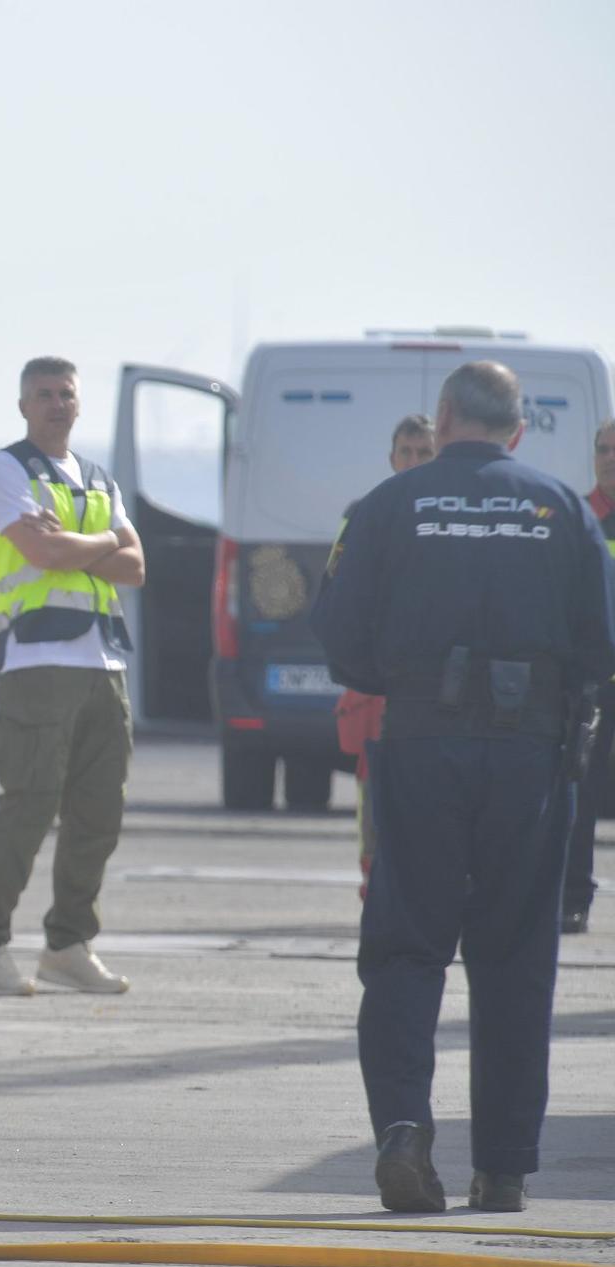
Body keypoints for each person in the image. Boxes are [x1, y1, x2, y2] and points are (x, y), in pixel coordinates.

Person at [312, 361, 615, 1214]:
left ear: (443, 418)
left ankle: (404, 1129)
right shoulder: (558, 508)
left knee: (407, 948)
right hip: (528, 758)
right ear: (518, 430)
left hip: (419, 746)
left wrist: (411, 681)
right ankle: (505, 1168)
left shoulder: (387, 505)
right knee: (516, 957)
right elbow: (603, 642)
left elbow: (338, 638)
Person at [0, 356, 143, 997]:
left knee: (100, 814)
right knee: (29, 807)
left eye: (66, 393)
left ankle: (68, 944)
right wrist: (101, 545)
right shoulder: (4, 471)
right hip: (38, 662)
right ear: (22, 405)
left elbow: (137, 567)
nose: (57, 404)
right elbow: (43, 552)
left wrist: (79, 544)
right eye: (44, 394)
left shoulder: (97, 479)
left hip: (104, 663)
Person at [336, 415, 440, 899]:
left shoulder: (453, 516)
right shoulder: (365, 513)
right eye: (407, 452)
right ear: (391, 457)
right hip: (377, 686)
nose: (414, 461)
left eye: (424, 452)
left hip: (437, 688)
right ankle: (374, 886)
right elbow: (338, 596)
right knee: (373, 795)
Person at [561, 417, 615, 935]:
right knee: (579, 794)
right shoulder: (575, 517)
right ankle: (572, 898)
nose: (608, 458)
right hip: (596, 681)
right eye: (602, 448)